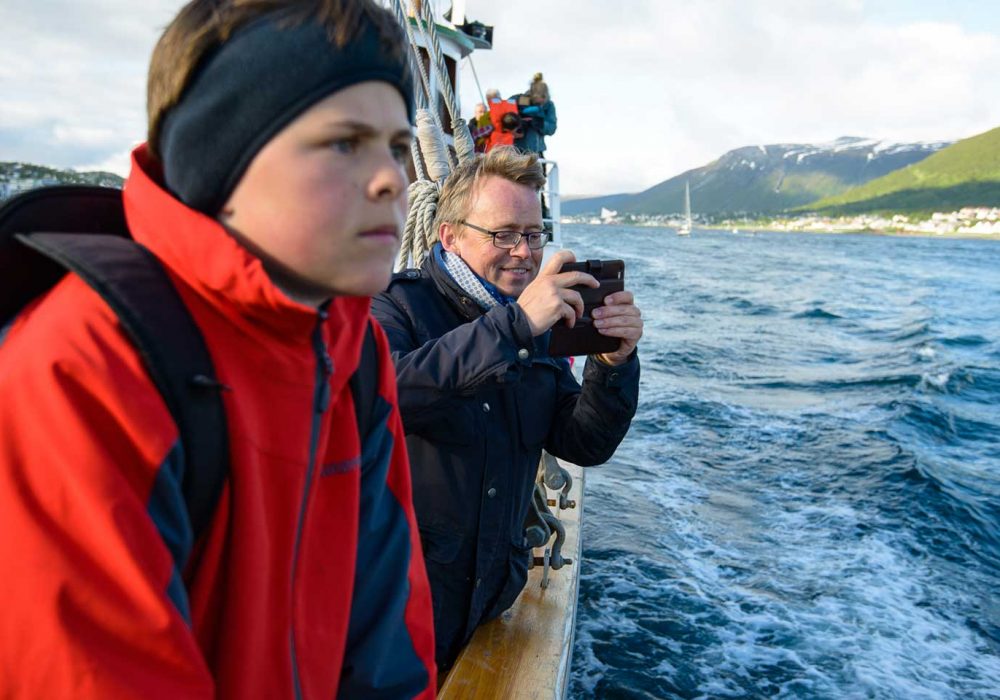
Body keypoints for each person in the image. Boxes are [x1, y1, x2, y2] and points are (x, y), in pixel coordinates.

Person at [0, 1, 436, 697]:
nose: (392, 180)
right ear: (221, 161)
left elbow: (387, 650)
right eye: (344, 143)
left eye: (397, 146)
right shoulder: (85, 364)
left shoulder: (356, 351)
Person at [371, 146, 642, 671]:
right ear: (449, 235)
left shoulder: (533, 323)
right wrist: (515, 326)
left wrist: (612, 363)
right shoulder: (395, 304)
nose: (524, 251)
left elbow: (582, 442)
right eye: (504, 235)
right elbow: (387, 397)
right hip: (397, 615)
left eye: (535, 234)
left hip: (489, 602)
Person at [513, 72, 557, 157]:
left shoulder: (549, 105)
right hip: (517, 149)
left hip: (538, 149)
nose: (541, 102)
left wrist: (540, 123)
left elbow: (552, 127)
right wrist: (518, 122)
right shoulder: (521, 100)